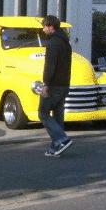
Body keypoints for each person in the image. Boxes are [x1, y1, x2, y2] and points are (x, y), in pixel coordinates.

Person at [39, 14, 73, 157]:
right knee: (58, 115)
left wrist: (46, 84)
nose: (43, 29)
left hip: (54, 85)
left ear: (51, 27)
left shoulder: (53, 43)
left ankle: (61, 139)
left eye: (44, 26)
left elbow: (50, 66)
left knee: (43, 112)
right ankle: (55, 148)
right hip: (65, 84)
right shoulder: (66, 43)